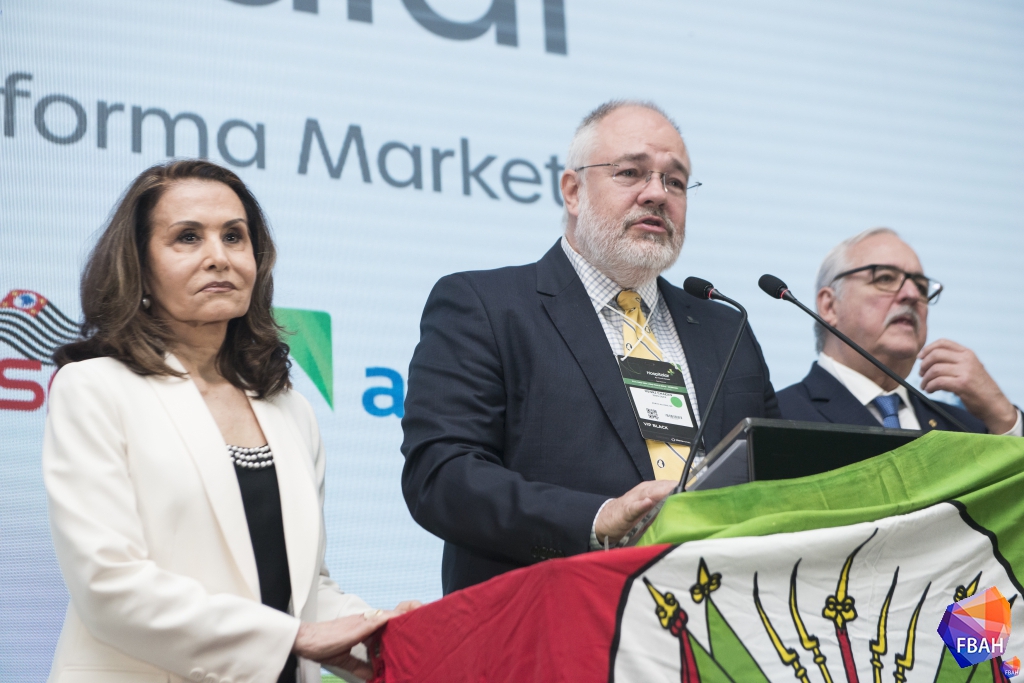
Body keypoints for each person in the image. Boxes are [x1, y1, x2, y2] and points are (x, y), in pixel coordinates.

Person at [44, 160, 418, 683]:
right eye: (187, 237)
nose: (218, 257)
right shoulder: (93, 388)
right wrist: (290, 638)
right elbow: (107, 584)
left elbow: (304, 591)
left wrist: (387, 631)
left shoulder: (290, 408)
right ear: (140, 265)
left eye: (234, 236)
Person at [401, 100, 781, 594]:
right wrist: (598, 518)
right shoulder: (487, 306)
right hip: (557, 613)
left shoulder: (725, 327)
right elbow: (442, 476)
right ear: (573, 191)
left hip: (725, 608)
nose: (657, 194)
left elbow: (776, 479)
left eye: (675, 181)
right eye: (630, 172)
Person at [777, 227, 1021, 436]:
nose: (912, 294)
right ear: (830, 306)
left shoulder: (966, 428)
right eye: (885, 278)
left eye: (921, 286)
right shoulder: (775, 418)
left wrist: (1003, 416)